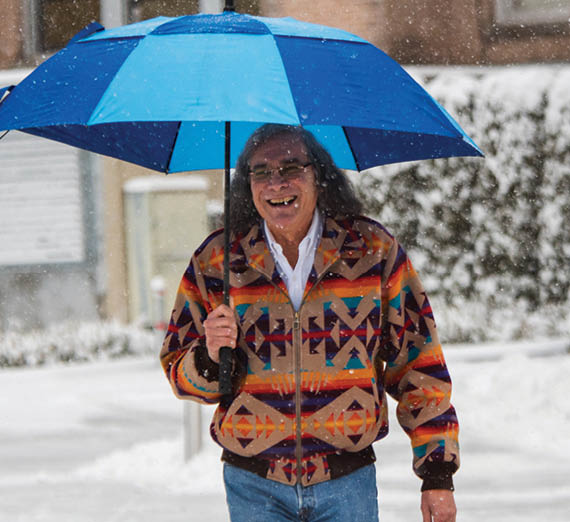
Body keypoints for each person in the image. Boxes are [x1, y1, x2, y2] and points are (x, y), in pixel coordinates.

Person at [160, 124, 459, 522]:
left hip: (346, 481)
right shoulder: (216, 262)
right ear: (246, 184)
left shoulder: (372, 251)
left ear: (318, 173)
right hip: (253, 485)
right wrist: (210, 356)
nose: (276, 183)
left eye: (290, 167)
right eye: (261, 171)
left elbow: (420, 366)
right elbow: (179, 372)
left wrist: (437, 473)